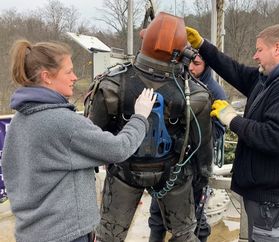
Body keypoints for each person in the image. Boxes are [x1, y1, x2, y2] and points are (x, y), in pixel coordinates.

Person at [1, 39, 156, 242]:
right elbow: (119, 149)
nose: (75, 77)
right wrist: (140, 117)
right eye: (68, 72)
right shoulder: (63, 122)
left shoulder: (21, 120)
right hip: (67, 234)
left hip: (31, 232)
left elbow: (12, 173)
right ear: (46, 77)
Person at [186, 24, 279, 241]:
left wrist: (232, 119)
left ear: (277, 48)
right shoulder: (270, 79)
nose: (255, 56)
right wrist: (203, 46)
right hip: (265, 196)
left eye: (259, 50)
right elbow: (236, 71)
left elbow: (275, 138)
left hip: (274, 200)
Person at [86, 12, 214, 242]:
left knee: (108, 237)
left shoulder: (111, 84)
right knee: (185, 235)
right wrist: (202, 177)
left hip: (124, 172)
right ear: (182, 52)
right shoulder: (196, 93)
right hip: (173, 173)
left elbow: (92, 137)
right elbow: (203, 147)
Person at [148, 53, 227, 242]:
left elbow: (218, 129)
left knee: (195, 220)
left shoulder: (214, 91)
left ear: (207, 65)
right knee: (157, 215)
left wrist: (188, 140)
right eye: (188, 63)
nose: (191, 68)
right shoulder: (176, 83)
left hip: (195, 167)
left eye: (197, 64)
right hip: (168, 163)